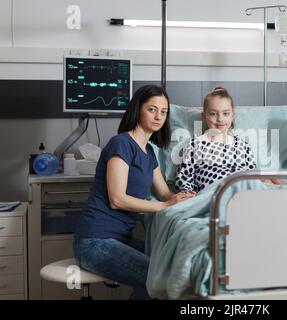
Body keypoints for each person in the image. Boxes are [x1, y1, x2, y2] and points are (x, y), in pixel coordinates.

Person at [73, 85, 195, 300]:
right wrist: (165, 206)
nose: (159, 116)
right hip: (95, 240)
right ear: (138, 109)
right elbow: (117, 199)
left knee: (169, 265)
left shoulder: (148, 152)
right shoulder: (121, 144)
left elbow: (165, 194)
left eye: (164, 112)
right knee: (161, 278)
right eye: (152, 109)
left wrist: (187, 197)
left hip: (121, 240)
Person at [175, 86, 258, 193]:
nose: (220, 119)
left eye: (226, 113)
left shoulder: (243, 146)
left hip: (243, 192)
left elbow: (253, 177)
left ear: (232, 116)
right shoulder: (195, 144)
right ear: (204, 116)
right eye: (213, 114)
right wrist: (189, 195)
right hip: (213, 194)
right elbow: (183, 179)